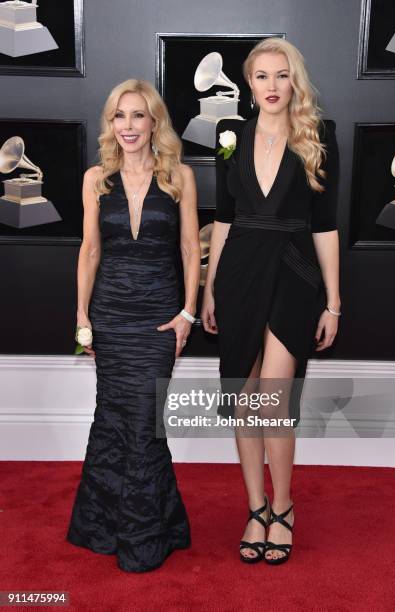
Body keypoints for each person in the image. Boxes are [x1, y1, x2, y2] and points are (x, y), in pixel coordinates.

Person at [201, 38, 340, 565]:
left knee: (274, 404)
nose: (273, 86)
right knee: (245, 399)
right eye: (262, 76)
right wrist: (210, 288)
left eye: (282, 75)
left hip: (293, 272)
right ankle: (255, 509)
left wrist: (334, 302)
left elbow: (325, 226)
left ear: (294, 80)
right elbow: (224, 218)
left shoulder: (318, 136)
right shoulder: (228, 134)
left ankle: (283, 508)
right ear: (249, 84)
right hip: (237, 273)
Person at [67, 79, 200, 572]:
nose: (128, 126)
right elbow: (90, 250)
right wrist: (82, 316)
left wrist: (188, 311)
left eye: (138, 116)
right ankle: (105, 529)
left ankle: (145, 537)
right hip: (111, 313)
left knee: (146, 422)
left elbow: (191, 249)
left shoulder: (179, 177)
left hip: (161, 316)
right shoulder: (95, 178)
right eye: (119, 116)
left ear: (154, 123)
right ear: (111, 123)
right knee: (114, 418)